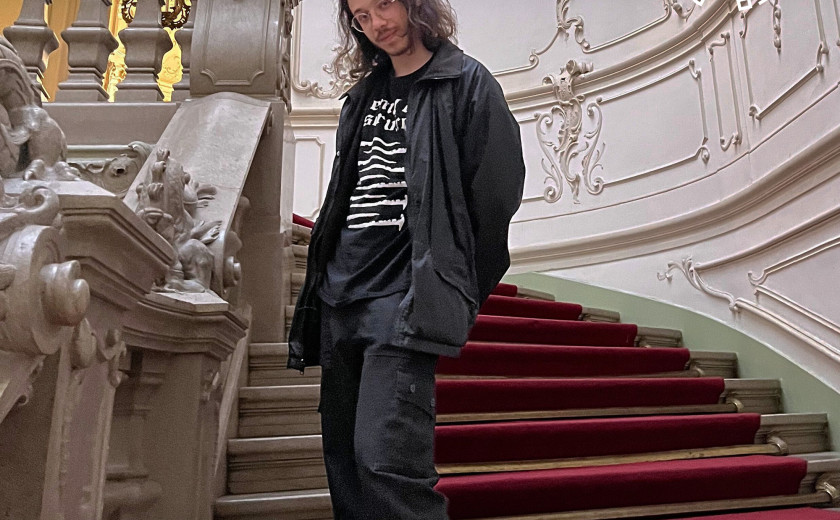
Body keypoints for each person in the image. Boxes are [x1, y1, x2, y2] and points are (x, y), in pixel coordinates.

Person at [287, 0, 526, 517]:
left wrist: (450, 288)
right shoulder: (361, 96)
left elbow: (496, 199)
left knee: (386, 464)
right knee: (344, 464)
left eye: (384, 4)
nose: (377, 23)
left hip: (402, 301)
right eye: (362, 15)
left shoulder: (467, 83)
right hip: (338, 294)